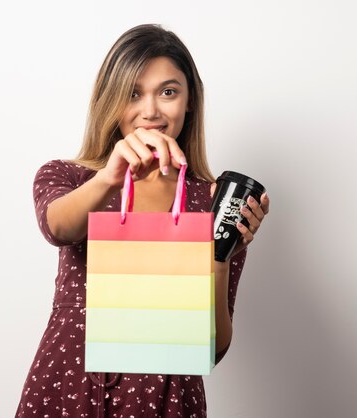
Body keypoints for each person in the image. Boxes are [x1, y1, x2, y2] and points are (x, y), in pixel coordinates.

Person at [15, 23, 270, 417]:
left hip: (166, 397)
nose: (150, 111)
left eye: (168, 92)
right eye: (133, 93)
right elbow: (56, 228)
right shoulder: (70, 177)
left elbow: (211, 349)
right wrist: (110, 177)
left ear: (189, 102)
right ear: (110, 100)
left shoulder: (214, 199)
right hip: (71, 386)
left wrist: (221, 254)